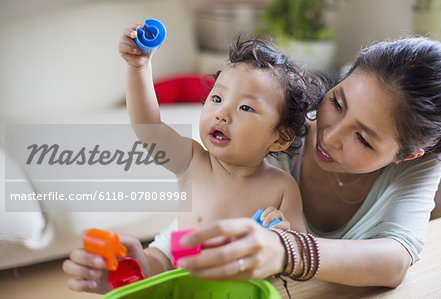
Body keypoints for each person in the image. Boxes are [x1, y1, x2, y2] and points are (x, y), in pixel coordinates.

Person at [62, 23, 324, 293]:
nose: (222, 113)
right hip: (176, 263)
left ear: (280, 138)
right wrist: (139, 68)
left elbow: (300, 249)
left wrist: (282, 237)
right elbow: (148, 128)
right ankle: (131, 272)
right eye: (217, 97)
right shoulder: (192, 160)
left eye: (246, 107)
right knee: (150, 263)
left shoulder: (282, 187)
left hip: (237, 285)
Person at [171, 36, 441, 288]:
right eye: (337, 104)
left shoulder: (420, 162)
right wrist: (152, 258)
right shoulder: (277, 131)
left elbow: (394, 261)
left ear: (407, 155)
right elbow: (201, 212)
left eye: (362, 139)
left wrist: (288, 250)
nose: (329, 135)